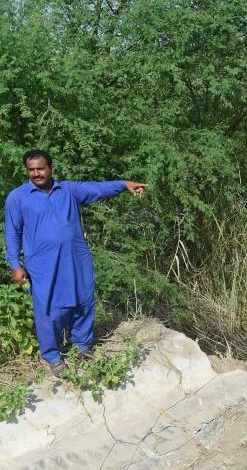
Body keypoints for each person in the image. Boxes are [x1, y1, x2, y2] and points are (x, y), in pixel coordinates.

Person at [4, 149, 147, 376]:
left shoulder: (68, 190)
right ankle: (52, 355)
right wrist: (15, 264)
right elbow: (12, 233)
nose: (36, 173)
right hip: (42, 264)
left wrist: (123, 184)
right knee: (47, 308)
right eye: (31, 170)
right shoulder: (17, 197)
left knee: (83, 299)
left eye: (41, 168)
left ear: (52, 169)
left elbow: (97, 188)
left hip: (76, 258)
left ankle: (82, 345)